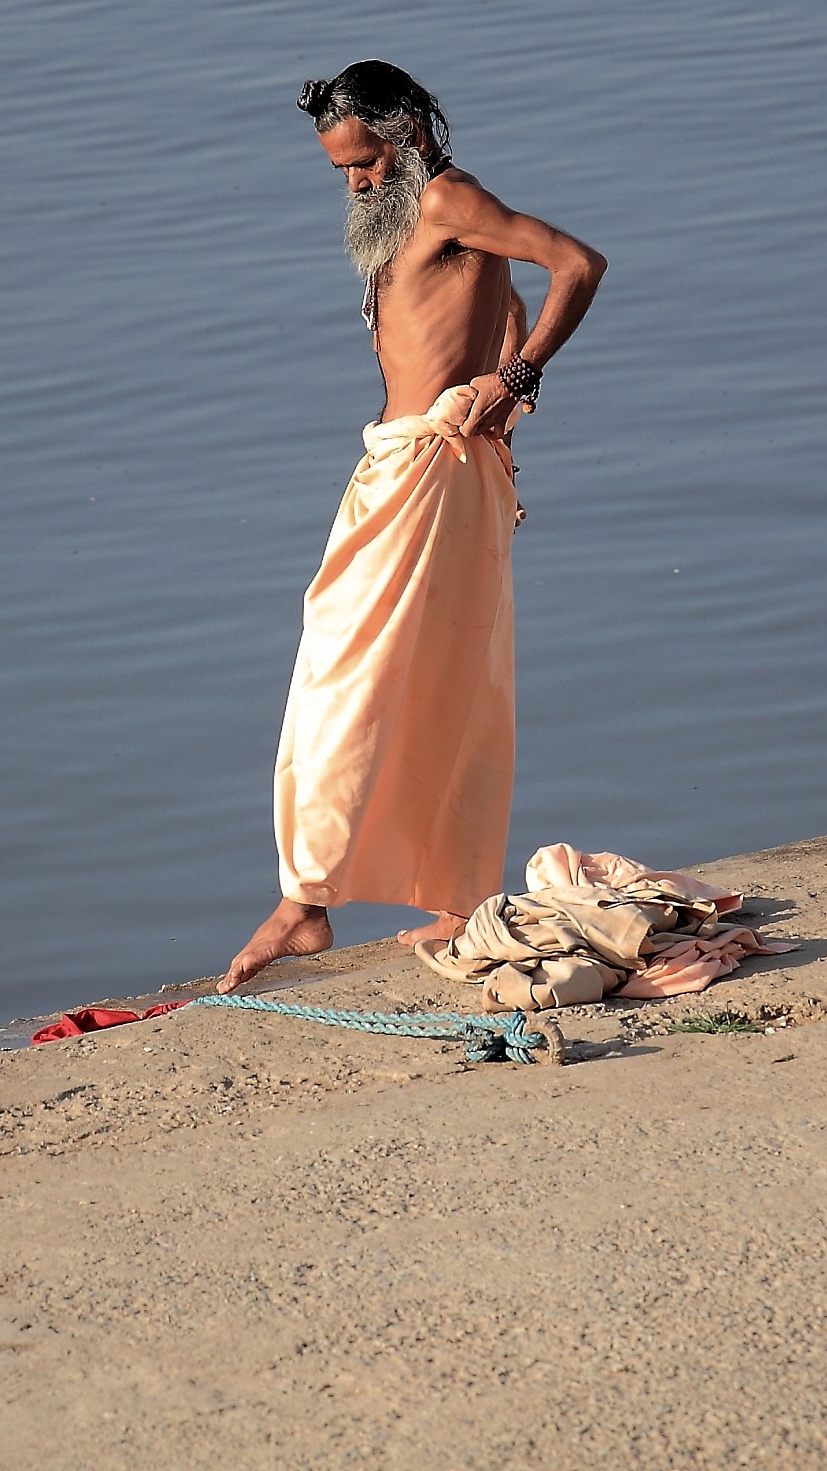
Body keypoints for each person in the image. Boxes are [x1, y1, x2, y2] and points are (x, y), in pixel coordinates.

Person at [221, 60, 606, 992]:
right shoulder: (421, 214)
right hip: (430, 460)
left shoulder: (447, 200)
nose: (355, 183)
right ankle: (452, 892)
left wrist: (515, 381)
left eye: (365, 162)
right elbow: (506, 298)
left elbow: (576, 264)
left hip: (428, 469)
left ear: (410, 132)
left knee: (338, 671)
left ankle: (306, 905)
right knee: (446, 667)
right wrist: (501, 368)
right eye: (343, 171)